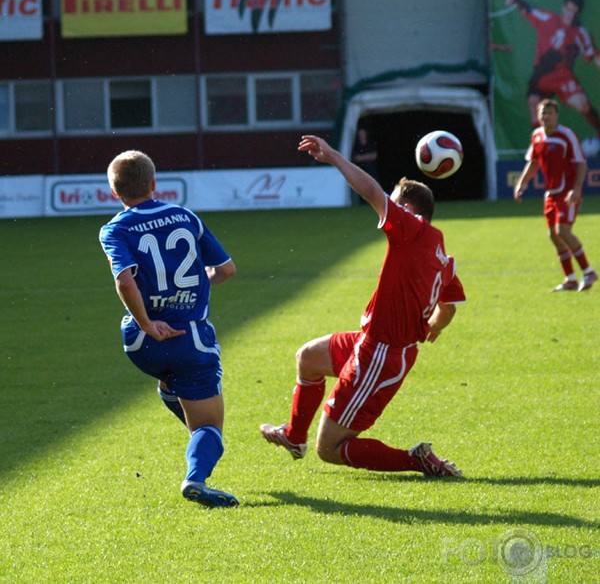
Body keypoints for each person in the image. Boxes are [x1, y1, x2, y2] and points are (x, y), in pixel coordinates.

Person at [260, 135, 465, 478]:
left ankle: (417, 460)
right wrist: (434, 328)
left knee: (330, 449)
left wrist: (333, 157)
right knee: (308, 357)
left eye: (395, 203)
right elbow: (451, 305)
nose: (389, 208)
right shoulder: (441, 251)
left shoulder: (410, 229)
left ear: (410, 210)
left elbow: (370, 191)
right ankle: (295, 437)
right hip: (371, 341)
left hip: (381, 354)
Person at [99, 150, 239, 508]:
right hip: (187, 338)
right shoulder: (184, 217)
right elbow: (226, 269)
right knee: (211, 429)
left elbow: (125, 280)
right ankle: (196, 479)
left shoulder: (115, 228)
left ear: (115, 192)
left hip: (141, 343)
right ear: (153, 183)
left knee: (171, 380)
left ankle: (180, 403)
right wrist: (200, 283)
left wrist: (146, 323)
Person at [513, 99, 597, 292]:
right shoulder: (537, 136)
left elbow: (581, 163)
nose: (546, 117)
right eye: (543, 113)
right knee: (553, 235)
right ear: (538, 115)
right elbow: (533, 162)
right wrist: (521, 183)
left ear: (556, 115)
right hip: (550, 194)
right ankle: (570, 279)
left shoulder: (566, 135)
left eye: (549, 113)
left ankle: (588, 271)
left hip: (567, 193)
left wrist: (576, 189)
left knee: (563, 231)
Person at [505, 0, 600, 156]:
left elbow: (593, 55)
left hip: (563, 77)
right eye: (568, 9)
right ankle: (541, 146)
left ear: (578, 13)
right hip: (542, 75)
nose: (570, 13)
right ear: (564, 8)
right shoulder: (549, 18)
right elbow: (529, 9)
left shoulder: (580, 32)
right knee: (534, 103)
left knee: (583, 105)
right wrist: (517, 0)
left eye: (574, 11)